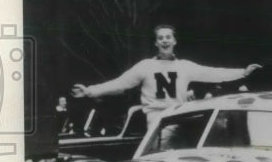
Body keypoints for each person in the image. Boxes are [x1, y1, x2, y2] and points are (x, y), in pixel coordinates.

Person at [71, 24, 261, 130]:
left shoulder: (185, 66)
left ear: (175, 41)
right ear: (156, 43)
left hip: (180, 118)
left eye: (168, 37)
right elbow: (121, 84)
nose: (164, 40)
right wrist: (90, 91)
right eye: (160, 38)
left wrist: (242, 72)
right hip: (157, 120)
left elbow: (212, 73)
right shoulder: (145, 66)